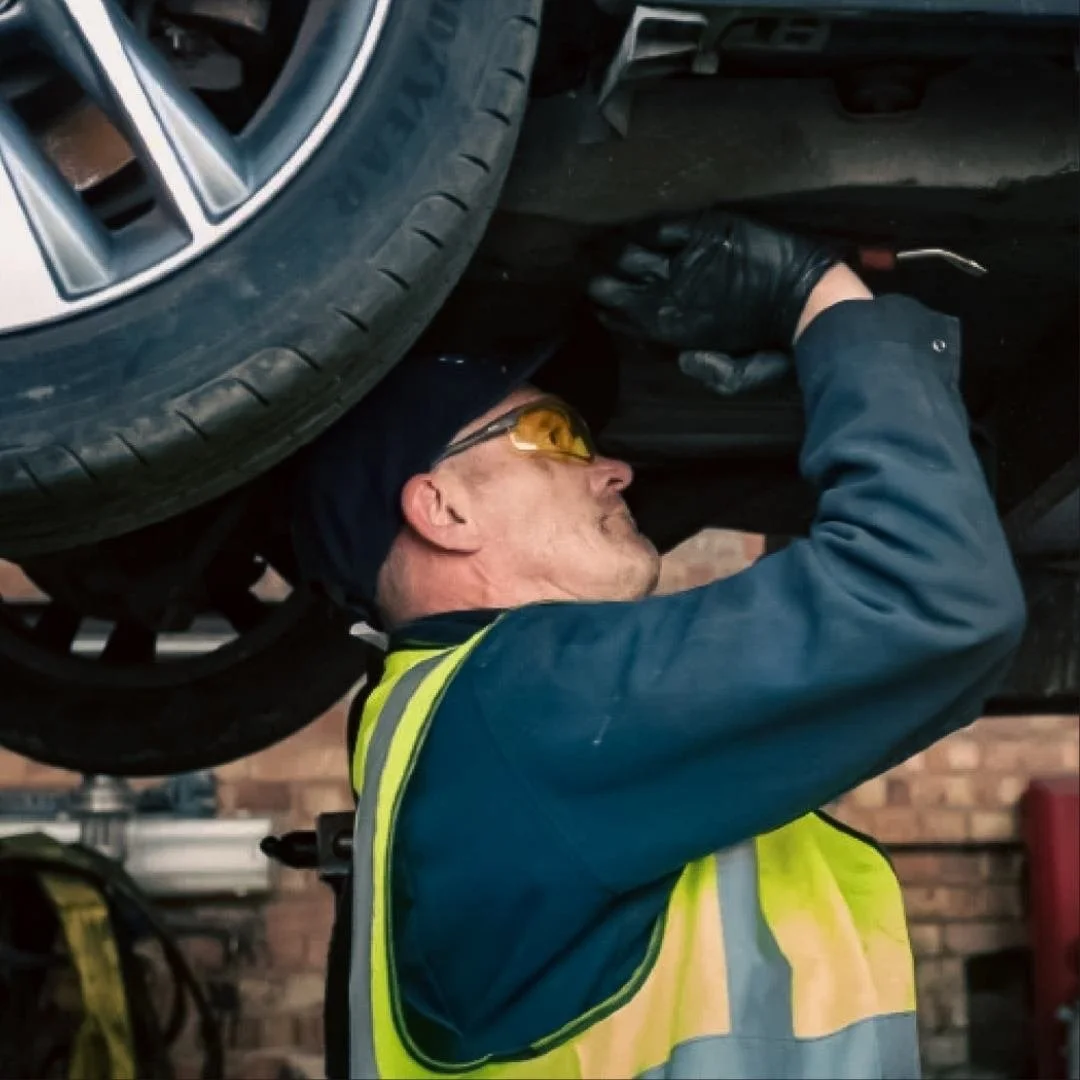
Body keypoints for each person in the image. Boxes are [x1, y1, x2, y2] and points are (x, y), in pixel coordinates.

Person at [293, 211, 1026, 1080]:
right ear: (442, 513)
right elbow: (926, 593)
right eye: (554, 441)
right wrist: (818, 298)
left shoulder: (462, 724)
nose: (614, 470)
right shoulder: (522, 704)